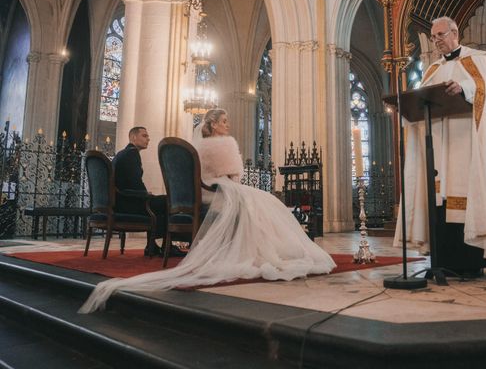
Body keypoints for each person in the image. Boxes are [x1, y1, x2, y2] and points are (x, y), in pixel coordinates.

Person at [79, 109, 336, 313]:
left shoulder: (195, 147)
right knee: (265, 200)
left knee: (256, 201)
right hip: (217, 191)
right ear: (213, 125)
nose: (228, 125)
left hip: (195, 195)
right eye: (224, 121)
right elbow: (233, 177)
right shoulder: (222, 145)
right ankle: (255, 248)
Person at [393, 16, 486, 274]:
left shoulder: (478, 59)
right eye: (434, 37)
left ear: (455, 33)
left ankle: (469, 263)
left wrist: (464, 87)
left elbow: (485, 90)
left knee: (463, 196)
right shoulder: (432, 70)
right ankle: (442, 261)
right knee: (440, 201)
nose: (437, 41)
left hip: (465, 143)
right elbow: (421, 99)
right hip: (438, 144)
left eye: (441, 35)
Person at [111, 127, 169, 257]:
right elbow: (135, 182)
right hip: (128, 203)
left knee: (159, 202)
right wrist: (145, 194)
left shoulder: (123, 153)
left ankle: (152, 245)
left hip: (121, 201)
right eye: (144, 136)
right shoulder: (132, 153)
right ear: (133, 138)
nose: (148, 139)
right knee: (168, 201)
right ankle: (166, 246)